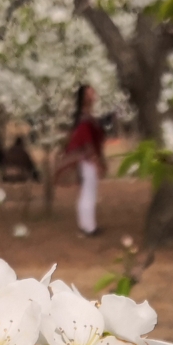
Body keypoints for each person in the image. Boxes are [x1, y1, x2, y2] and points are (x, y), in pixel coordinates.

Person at [55, 85, 106, 236]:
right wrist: (95, 160)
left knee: (87, 191)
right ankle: (88, 227)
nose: (94, 95)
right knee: (88, 192)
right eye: (91, 93)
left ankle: (87, 225)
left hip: (87, 158)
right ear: (84, 97)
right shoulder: (84, 118)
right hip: (86, 159)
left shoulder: (86, 116)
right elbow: (86, 141)